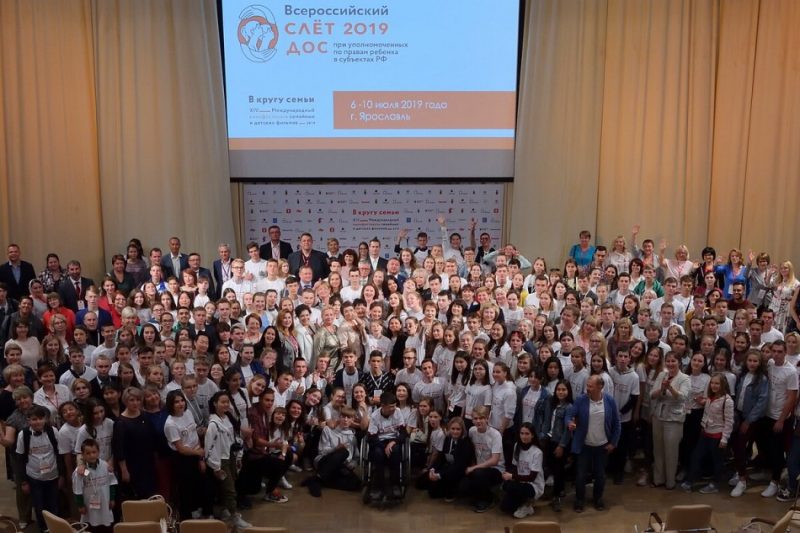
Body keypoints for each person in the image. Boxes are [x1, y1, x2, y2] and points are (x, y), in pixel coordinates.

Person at [566, 374, 621, 512]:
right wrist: (569, 423)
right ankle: (579, 500)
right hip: (584, 445)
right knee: (580, 475)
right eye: (587, 386)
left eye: (590, 386)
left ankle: (598, 499)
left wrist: (613, 443)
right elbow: (569, 415)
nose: (587, 389)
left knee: (600, 475)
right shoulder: (581, 400)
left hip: (602, 446)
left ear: (600, 387)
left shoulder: (609, 401)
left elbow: (617, 423)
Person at [204, 391, 251, 529]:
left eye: (227, 402)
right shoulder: (213, 424)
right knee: (230, 489)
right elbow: (209, 447)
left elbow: (234, 437)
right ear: (215, 404)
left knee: (230, 485)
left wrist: (238, 456)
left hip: (230, 456)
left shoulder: (228, 418)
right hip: (221, 460)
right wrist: (216, 467)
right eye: (222, 402)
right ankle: (234, 516)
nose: (225, 405)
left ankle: (225, 510)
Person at [680, 375, 734, 494]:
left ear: (723, 385)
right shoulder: (710, 397)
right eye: (712, 383)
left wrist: (724, 439)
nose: (714, 386)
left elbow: (729, 421)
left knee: (717, 460)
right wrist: (703, 426)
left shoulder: (727, 401)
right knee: (696, 456)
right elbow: (706, 413)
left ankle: (715, 483)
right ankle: (689, 481)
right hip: (706, 433)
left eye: (717, 383)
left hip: (717, 435)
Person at [16, 405, 63, 532]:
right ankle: (43, 528)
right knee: (38, 506)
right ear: (28, 420)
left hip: (52, 475)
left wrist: (61, 475)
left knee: (53, 504)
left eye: (40, 418)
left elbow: (59, 454)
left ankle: (55, 528)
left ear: (45, 419)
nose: (37, 422)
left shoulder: (53, 431)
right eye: (34, 419)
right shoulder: (23, 435)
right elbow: (20, 459)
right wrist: (23, 481)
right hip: (34, 477)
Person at [303, 405, 361, 497]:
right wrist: (336, 448)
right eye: (343, 417)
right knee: (343, 452)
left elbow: (356, 457)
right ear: (339, 417)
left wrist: (352, 464)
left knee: (357, 484)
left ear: (352, 420)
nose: (345, 420)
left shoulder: (352, 435)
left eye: (349, 417)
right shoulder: (328, 430)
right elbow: (322, 451)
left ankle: (317, 479)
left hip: (341, 465)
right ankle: (317, 480)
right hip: (324, 461)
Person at [366, 391, 407, 501]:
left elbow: (403, 433)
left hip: (394, 440)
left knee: (396, 451)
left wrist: (393, 442)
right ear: (383, 406)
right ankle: (378, 486)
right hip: (379, 441)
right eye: (391, 407)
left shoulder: (397, 412)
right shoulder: (375, 416)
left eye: (394, 406)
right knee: (377, 453)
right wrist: (384, 447)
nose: (393, 409)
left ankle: (395, 484)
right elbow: (371, 437)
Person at [499, 422, 544, 519]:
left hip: (533, 485)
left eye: (527, 434)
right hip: (520, 481)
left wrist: (512, 476)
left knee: (511, 487)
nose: (524, 436)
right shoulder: (517, 446)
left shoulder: (537, 452)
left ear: (532, 435)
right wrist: (508, 475)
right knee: (504, 506)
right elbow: (514, 466)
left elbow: (532, 477)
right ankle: (522, 501)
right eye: (522, 433)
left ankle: (527, 504)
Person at [464, 405, 504, 512]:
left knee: (478, 474)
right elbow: (472, 450)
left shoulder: (495, 435)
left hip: (496, 469)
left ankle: (488, 500)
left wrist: (474, 467)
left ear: (487, 418)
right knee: (464, 485)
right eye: (475, 418)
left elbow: (494, 460)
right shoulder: (472, 431)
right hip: (479, 467)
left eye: (481, 418)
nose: (478, 421)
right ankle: (479, 494)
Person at [72, 438, 117, 531]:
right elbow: (77, 490)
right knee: (91, 526)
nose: (91, 455)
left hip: (105, 503)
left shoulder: (105, 465)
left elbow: (112, 482)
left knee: (106, 526)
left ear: (98, 452)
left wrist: (112, 498)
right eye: (88, 453)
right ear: (83, 455)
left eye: (94, 452)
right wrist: (80, 505)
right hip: (89, 506)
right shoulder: (80, 472)